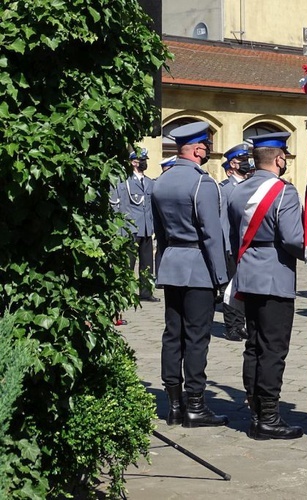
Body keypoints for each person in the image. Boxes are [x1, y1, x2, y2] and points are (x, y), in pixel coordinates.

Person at [227, 131, 305, 440]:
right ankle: (269, 417)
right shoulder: (284, 192)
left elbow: (233, 234)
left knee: (254, 346)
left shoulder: (237, 190)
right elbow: (292, 239)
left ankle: (255, 410)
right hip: (275, 278)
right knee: (273, 350)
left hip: (248, 274)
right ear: (280, 158)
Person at [151, 121, 229, 428]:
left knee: (173, 335)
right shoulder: (202, 183)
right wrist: (221, 277)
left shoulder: (162, 181)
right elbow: (212, 235)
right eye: (206, 147)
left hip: (172, 263)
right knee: (197, 338)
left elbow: (159, 231)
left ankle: (173, 405)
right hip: (198, 266)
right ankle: (195, 404)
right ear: (198, 149)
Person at [218, 142, 254, 342]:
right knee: (231, 288)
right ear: (233, 164)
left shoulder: (249, 186)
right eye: (242, 161)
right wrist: (225, 247)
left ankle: (242, 324)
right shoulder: (224, 189)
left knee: (245, 287)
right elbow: (223, 220)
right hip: (231, 246)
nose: (246, 164)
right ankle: (232, 326)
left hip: (246, 245)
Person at [113, 148, 159, 302]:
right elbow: (116, 205)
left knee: (147, 263)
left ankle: (146, 292)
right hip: (131, 227)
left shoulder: (149, 182)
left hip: (146, 228)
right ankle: (125, 292)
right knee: (129, 263)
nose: (145, 162)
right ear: (134, 162)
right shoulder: (124, 182)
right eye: (142, 160)